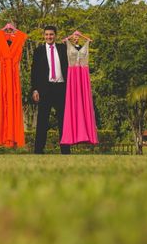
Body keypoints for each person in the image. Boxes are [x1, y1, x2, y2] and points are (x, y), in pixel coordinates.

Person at [31, 25, 71, 154]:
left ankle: (65, 150)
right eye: (47, 34)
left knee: (63, 121)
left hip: (61, 88)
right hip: (45, 89)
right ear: (44, 36)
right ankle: (38, 150)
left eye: (51, 34)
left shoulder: (63, 48)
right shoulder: (39, 51)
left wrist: (74, 42)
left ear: (55, 35)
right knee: (42, 120)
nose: (49, 37)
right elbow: (34, 72)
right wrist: (35, 89)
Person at [60, 31, 98, 145]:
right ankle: (72, 134)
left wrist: (87, 40)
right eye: (74, 36)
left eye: (77, 36)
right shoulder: (67, 44)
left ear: (80, 37)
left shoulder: (85, 45)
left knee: (84, 100)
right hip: (72, 75)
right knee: (72, 102)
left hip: (83, 75)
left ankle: (86, 134)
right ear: (72, 38)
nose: (76, 37)